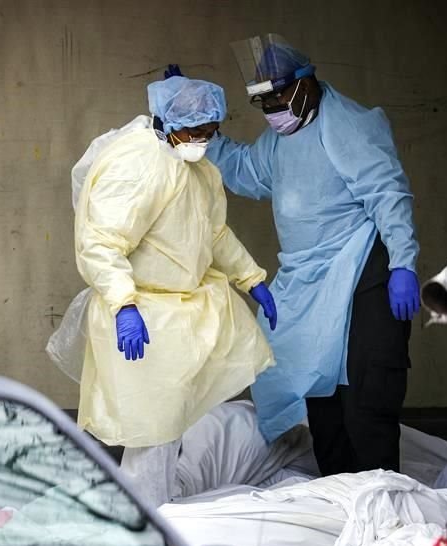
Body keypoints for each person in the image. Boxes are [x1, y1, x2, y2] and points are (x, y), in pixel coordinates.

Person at [203, 35, 421, 476]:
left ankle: (382, 502)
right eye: (264, 103)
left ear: (305, 82)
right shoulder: (281, 138)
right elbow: (249, 174)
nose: (273, 112)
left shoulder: (347, 125)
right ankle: (338, 499)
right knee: (323, 396)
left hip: (362, 271)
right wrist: (206, 133)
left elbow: (388, 193)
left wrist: (403, 263)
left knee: (366, 395)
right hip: (311, 281)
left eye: (278, 97)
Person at [74, 75, 277, 507]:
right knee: (151, 431)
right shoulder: (138, 166)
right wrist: (123, 304)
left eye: (210, 131)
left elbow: (215, 233)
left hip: (178, 315)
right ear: (166, 120)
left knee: (167, 430)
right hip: (143, 315)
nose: (203, 140)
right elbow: (101, 243)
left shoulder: (197, 169)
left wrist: (251, 278)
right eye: (195, 131)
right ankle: (148, 521)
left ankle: (160, 511)